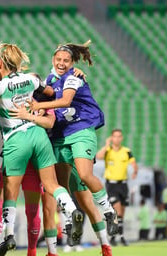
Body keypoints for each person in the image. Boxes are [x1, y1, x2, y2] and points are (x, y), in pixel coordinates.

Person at [0, 43, 82, 256]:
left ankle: (9, 235)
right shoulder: (32, 79)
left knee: (9, 192)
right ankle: (72, 211)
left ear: (2, 64)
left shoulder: (0, 85)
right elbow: (51, 91)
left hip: (16, 138)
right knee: (52, 185)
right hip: (38, 134)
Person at [28, 40, 119, 240]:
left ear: (72, 63)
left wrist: (37, 107)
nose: (62, 63)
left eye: (66, 60)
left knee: (85, 175)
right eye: (58, 59)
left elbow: (65, 101)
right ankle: (70, 219)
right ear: (53, 59)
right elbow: (46, 94)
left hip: (80, 130)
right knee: (62, 184)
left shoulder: (73, 77)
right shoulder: (51, 79)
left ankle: (109, 213)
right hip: (60, 135)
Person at [96, 128, 138, 246]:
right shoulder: (108, 150)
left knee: (121, 213)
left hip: (123, 184)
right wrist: (106, 144)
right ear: (111, 138)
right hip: (112, 184)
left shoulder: (126, 151)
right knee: (117, 209)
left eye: (119, 136)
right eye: (115, 136)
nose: (117, 138)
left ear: (122, 138)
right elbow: (98, 156)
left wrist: (135, 171)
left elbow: (133, 163)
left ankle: (115, 236)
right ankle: (122, 237)